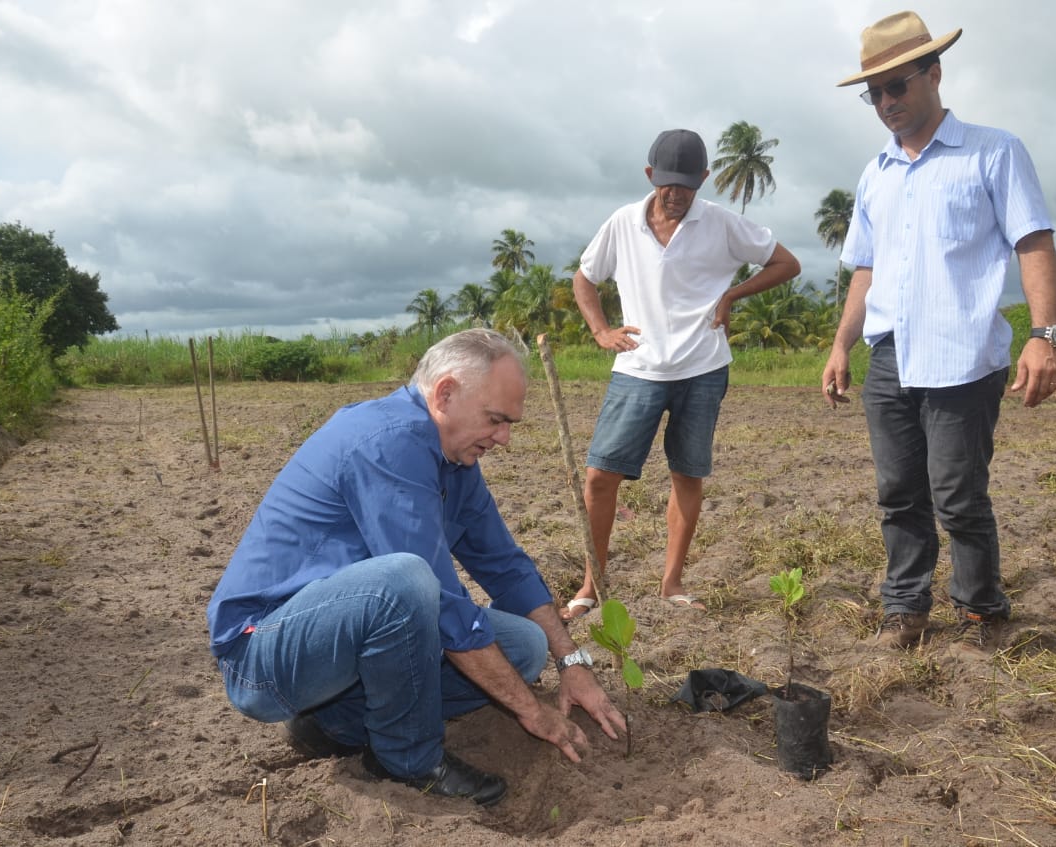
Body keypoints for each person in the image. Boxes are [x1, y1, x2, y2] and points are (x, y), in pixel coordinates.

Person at [206, 328, 626, 807]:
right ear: (445, 393)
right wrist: (533, 712)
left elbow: (506, 565)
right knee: (403, 583)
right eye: (495, 419)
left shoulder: (456, 462)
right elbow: (444, 606)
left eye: (510, 423)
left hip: (338, 641)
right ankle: (408, 759)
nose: (505, 438)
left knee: (524, 647)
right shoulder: (389, 442)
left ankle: (333, 723)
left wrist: (571, 662)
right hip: (264, 652)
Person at [823, 11, 1056, 656]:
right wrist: (842, 343)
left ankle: (981, 610)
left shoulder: (993, 151)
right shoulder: (876, 172)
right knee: (898, 493)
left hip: (962, 356)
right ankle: (905, 608)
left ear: (934, 73)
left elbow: (1032, 241)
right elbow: (866, 269)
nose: (885, 103)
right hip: (890, 356)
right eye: (873, 93)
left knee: (957, 496)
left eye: (896, 86)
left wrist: (1046, 335)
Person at [562, 128, 801, 620]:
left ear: (704, 179)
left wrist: (732, 295)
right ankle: (592, 585)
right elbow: (584, 278)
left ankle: (671, 583)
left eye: (688, 185)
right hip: (638, 368)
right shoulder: (623, 223)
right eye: (668, 184)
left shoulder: (721, 223)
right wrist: (601, 330)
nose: (677, 195)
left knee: (687, 475)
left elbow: (786, 262)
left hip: (703, 368)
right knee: (600, 476)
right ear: (651, 176)